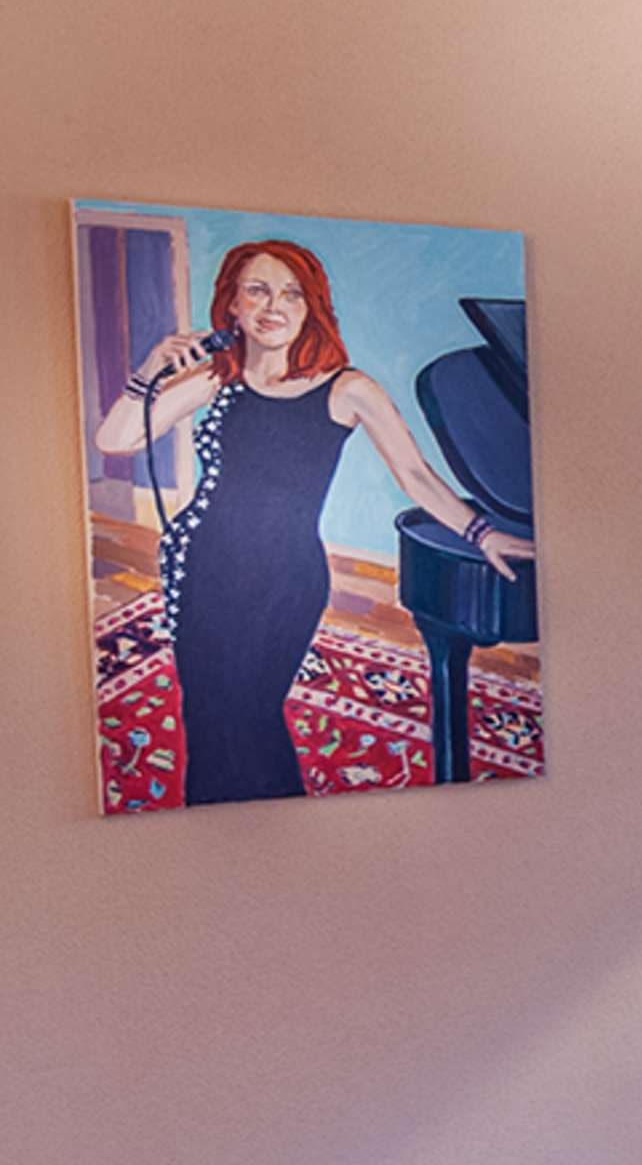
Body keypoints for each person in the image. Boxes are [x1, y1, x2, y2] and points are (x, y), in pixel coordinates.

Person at [90, 240, 531, 805]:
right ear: (232, 305)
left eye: (292, 294)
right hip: (202, 571)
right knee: (206, 713)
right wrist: (150, 369)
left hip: (283, 581)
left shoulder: (347, 388)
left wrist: (482, 534)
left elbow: (416, 476)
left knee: (250, 714)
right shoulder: (215, 379)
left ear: (311, 307)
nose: (274, 306)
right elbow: (116, 439)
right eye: (258, 290)